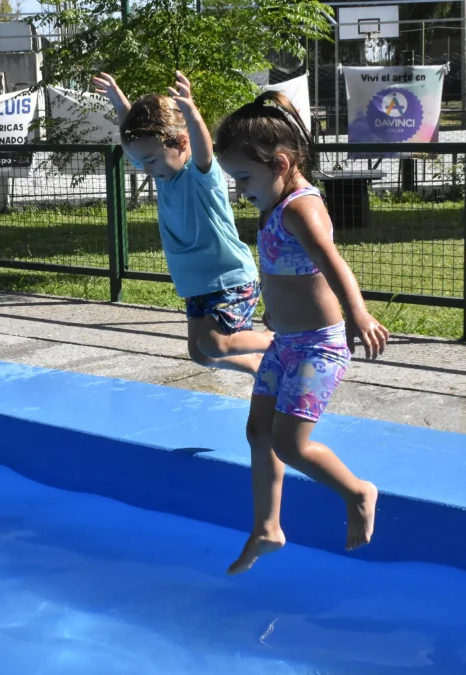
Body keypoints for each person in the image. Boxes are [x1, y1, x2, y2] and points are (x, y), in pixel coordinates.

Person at [212, 91, 390, 575]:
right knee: (257, 432)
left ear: (282, 162)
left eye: (244, 178)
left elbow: (332, 263)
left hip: (318, 346)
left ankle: (357, 492)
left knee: (290, 444)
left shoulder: (299, 207)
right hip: (285, 343)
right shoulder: (274, 200)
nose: (239, 189)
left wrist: (358, 314)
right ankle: (267, 527)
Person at [93, 71, 272, 374]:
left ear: (181, 142)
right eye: (138, 163)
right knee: (200, 354)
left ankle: (278, 341)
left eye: (149, 161)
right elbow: (137, 133)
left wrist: (192, 112)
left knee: (214, 344)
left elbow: (204, 148)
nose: (145, 169)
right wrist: (118, 99)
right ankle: (256, 364)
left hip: (228, 279)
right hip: (196, 285)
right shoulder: (165, 173)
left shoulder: (199, 175)